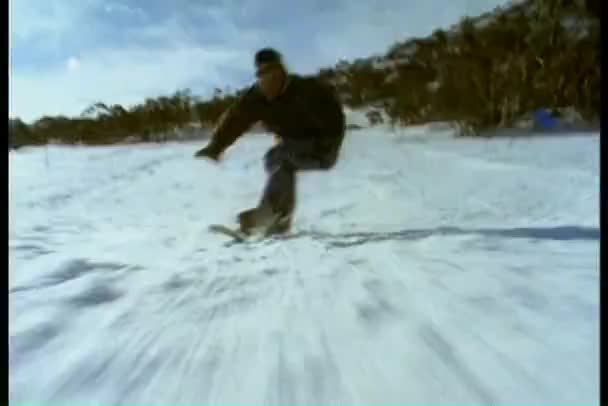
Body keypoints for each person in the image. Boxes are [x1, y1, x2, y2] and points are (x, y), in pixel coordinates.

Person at [194, 48, 346, 235]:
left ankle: (267, 215)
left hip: (324, 146)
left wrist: (328, 142)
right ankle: (280, 221)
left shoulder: (307, 89)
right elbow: (235, 120)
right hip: (295, 147)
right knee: (280, 163)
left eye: (273, 73)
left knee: (279, 158)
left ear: (282, 72)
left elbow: (334, 114)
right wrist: (216, 146)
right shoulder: (256, 98)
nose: (268, 81)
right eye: (263, 75)